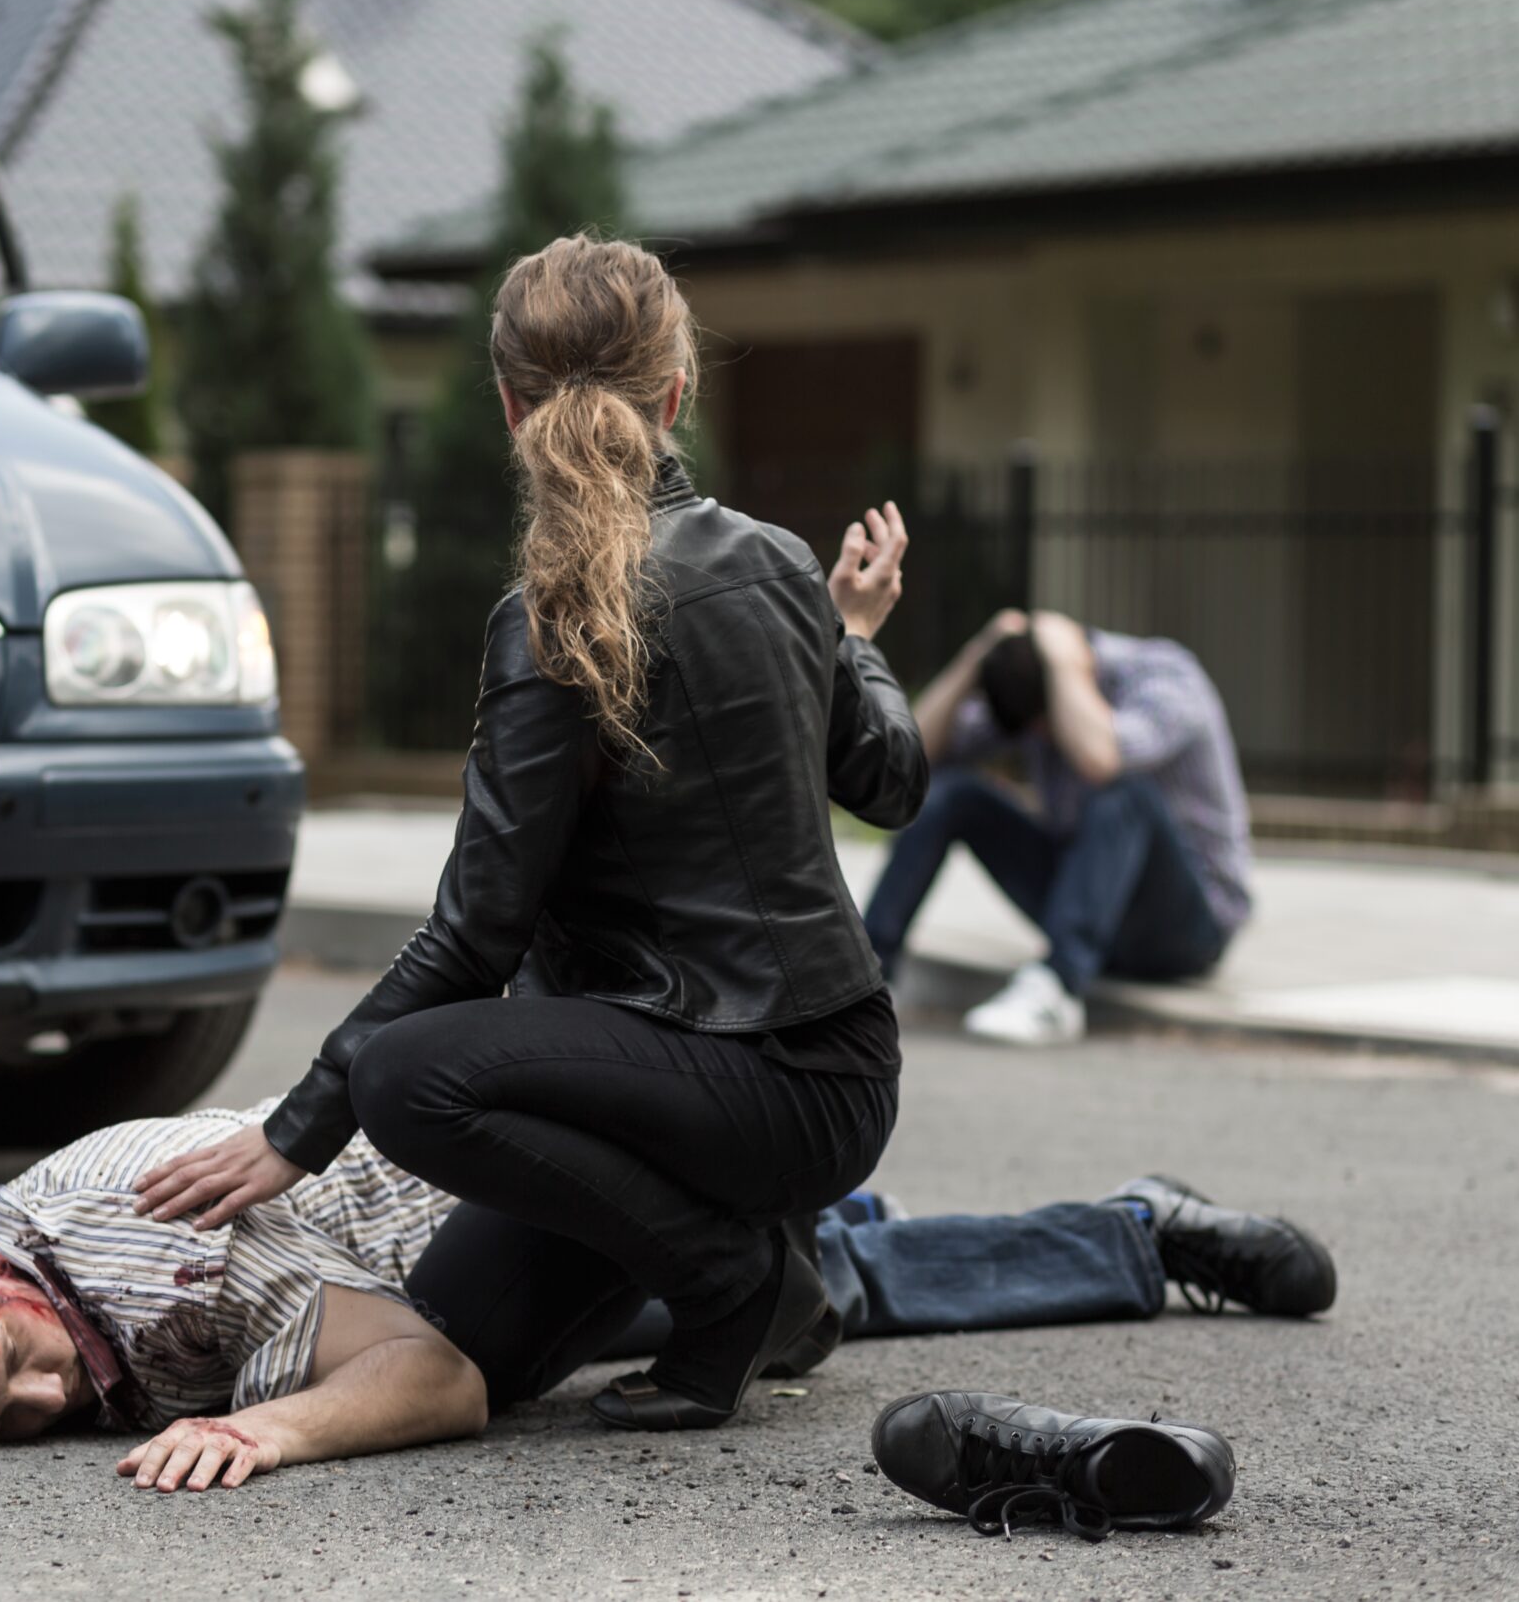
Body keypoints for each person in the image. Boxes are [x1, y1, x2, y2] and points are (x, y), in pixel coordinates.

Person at [129, 234, 928, 1432]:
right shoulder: (777, 563)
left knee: (406, 1078)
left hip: (746, 1091)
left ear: (509, 408)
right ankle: (784, 1289)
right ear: (677, 392)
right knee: (466, 1353)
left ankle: (730, 1278)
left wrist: (296, 1129)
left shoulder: (549, 615)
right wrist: (853, 635)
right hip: (828, 1080)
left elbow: (476, 936)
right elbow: (894, 783)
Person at [0, 1092, 1335, 1500]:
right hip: (496, 1243)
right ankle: (1125, 1225)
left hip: (486, 1221)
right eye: (7, 1416)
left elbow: (432, 1376)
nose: (43, 1408)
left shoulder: (149, 1245)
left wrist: (264, 1429)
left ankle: (1131, 1228)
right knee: (830, 1272)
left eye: (18, 1377)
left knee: (804, 1292)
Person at [860, 610, 1253, 1046]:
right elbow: (911, 757)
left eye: (1046, 723)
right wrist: (972, 660)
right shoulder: (1031, 698)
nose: (1045, 736)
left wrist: (1066, 665)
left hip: (1187, 927)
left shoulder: (1166, 677)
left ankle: (1057, 989)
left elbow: (1101, 759)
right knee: (951, 794)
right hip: (1088, 900)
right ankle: (866, 978)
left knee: (1122, 793)